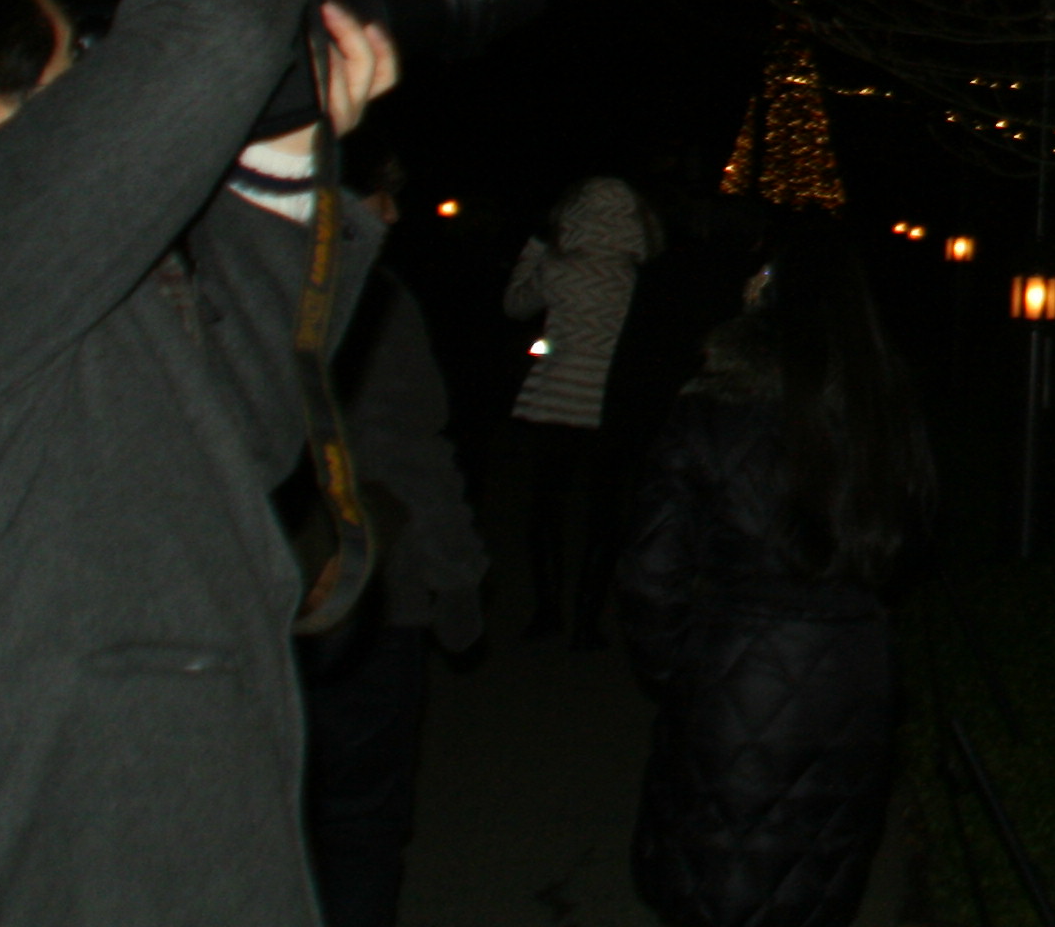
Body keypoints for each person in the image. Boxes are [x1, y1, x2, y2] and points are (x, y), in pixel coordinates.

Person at [0, 0, 404, 927]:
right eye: (81, 70)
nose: (99, 110)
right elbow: (209, 34)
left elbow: (234, 446)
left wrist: (275, 162)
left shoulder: (39, 290)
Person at [617, 219, 936, 927]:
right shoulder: (888, 414)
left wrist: (681, 661)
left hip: (735, 674)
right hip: (853, 677)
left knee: (718, 882)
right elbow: (908, 545)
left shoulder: (712, 412)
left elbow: (650, 572)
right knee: (813, 878)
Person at [297, 132, 491, 927]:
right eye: (382, 190)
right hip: (364, 599)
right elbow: (408, 452)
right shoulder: (368, 295)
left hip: (246, 592)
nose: (395, 210)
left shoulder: (223, 277)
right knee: (358, 824)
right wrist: (458, 574)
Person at [506, 167, 660, 641]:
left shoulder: (558, 267)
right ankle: (587, 620)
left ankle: (548, 612)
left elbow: (514, 306)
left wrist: (536, 248)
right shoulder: (636, 279)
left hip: (556, 398)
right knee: (605, 513)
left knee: (547, 509)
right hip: (610, 402)